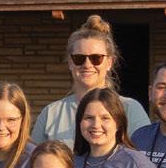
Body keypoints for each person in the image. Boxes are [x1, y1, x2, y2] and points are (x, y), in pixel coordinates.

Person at [34, 15, 151, 145]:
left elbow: (144, 153)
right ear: (70, 63)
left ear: (109, 62)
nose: (87, 65)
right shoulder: (50, 114)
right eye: (79, 58)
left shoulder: (129, 109)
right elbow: (33, 156)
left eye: (96, 58)